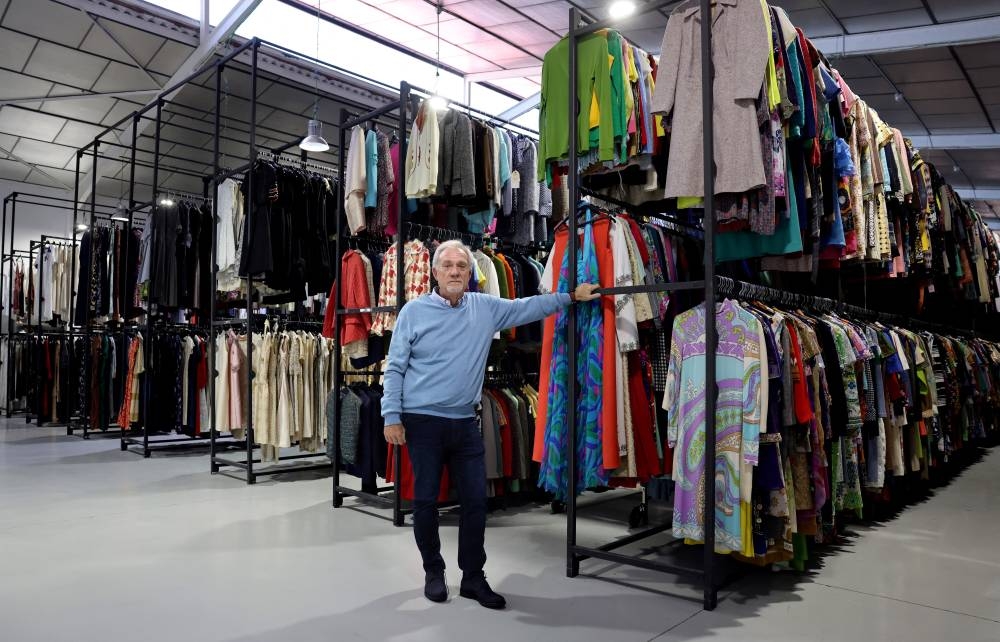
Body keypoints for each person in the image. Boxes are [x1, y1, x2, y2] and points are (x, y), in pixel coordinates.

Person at [381, 239, 601, 609]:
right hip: (423, 422)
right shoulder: (413, 313)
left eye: (461, 266)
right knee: (424, 502)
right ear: (434, 272)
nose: (454, 271)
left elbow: (528, 307)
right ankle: (433, 572)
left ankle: (472, 577)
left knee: (474, 504)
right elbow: (395, 366)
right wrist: (392, 415)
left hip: (466, 422)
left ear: (471, 273)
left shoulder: (484, 308)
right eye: (448, 265)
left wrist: (571, 297)